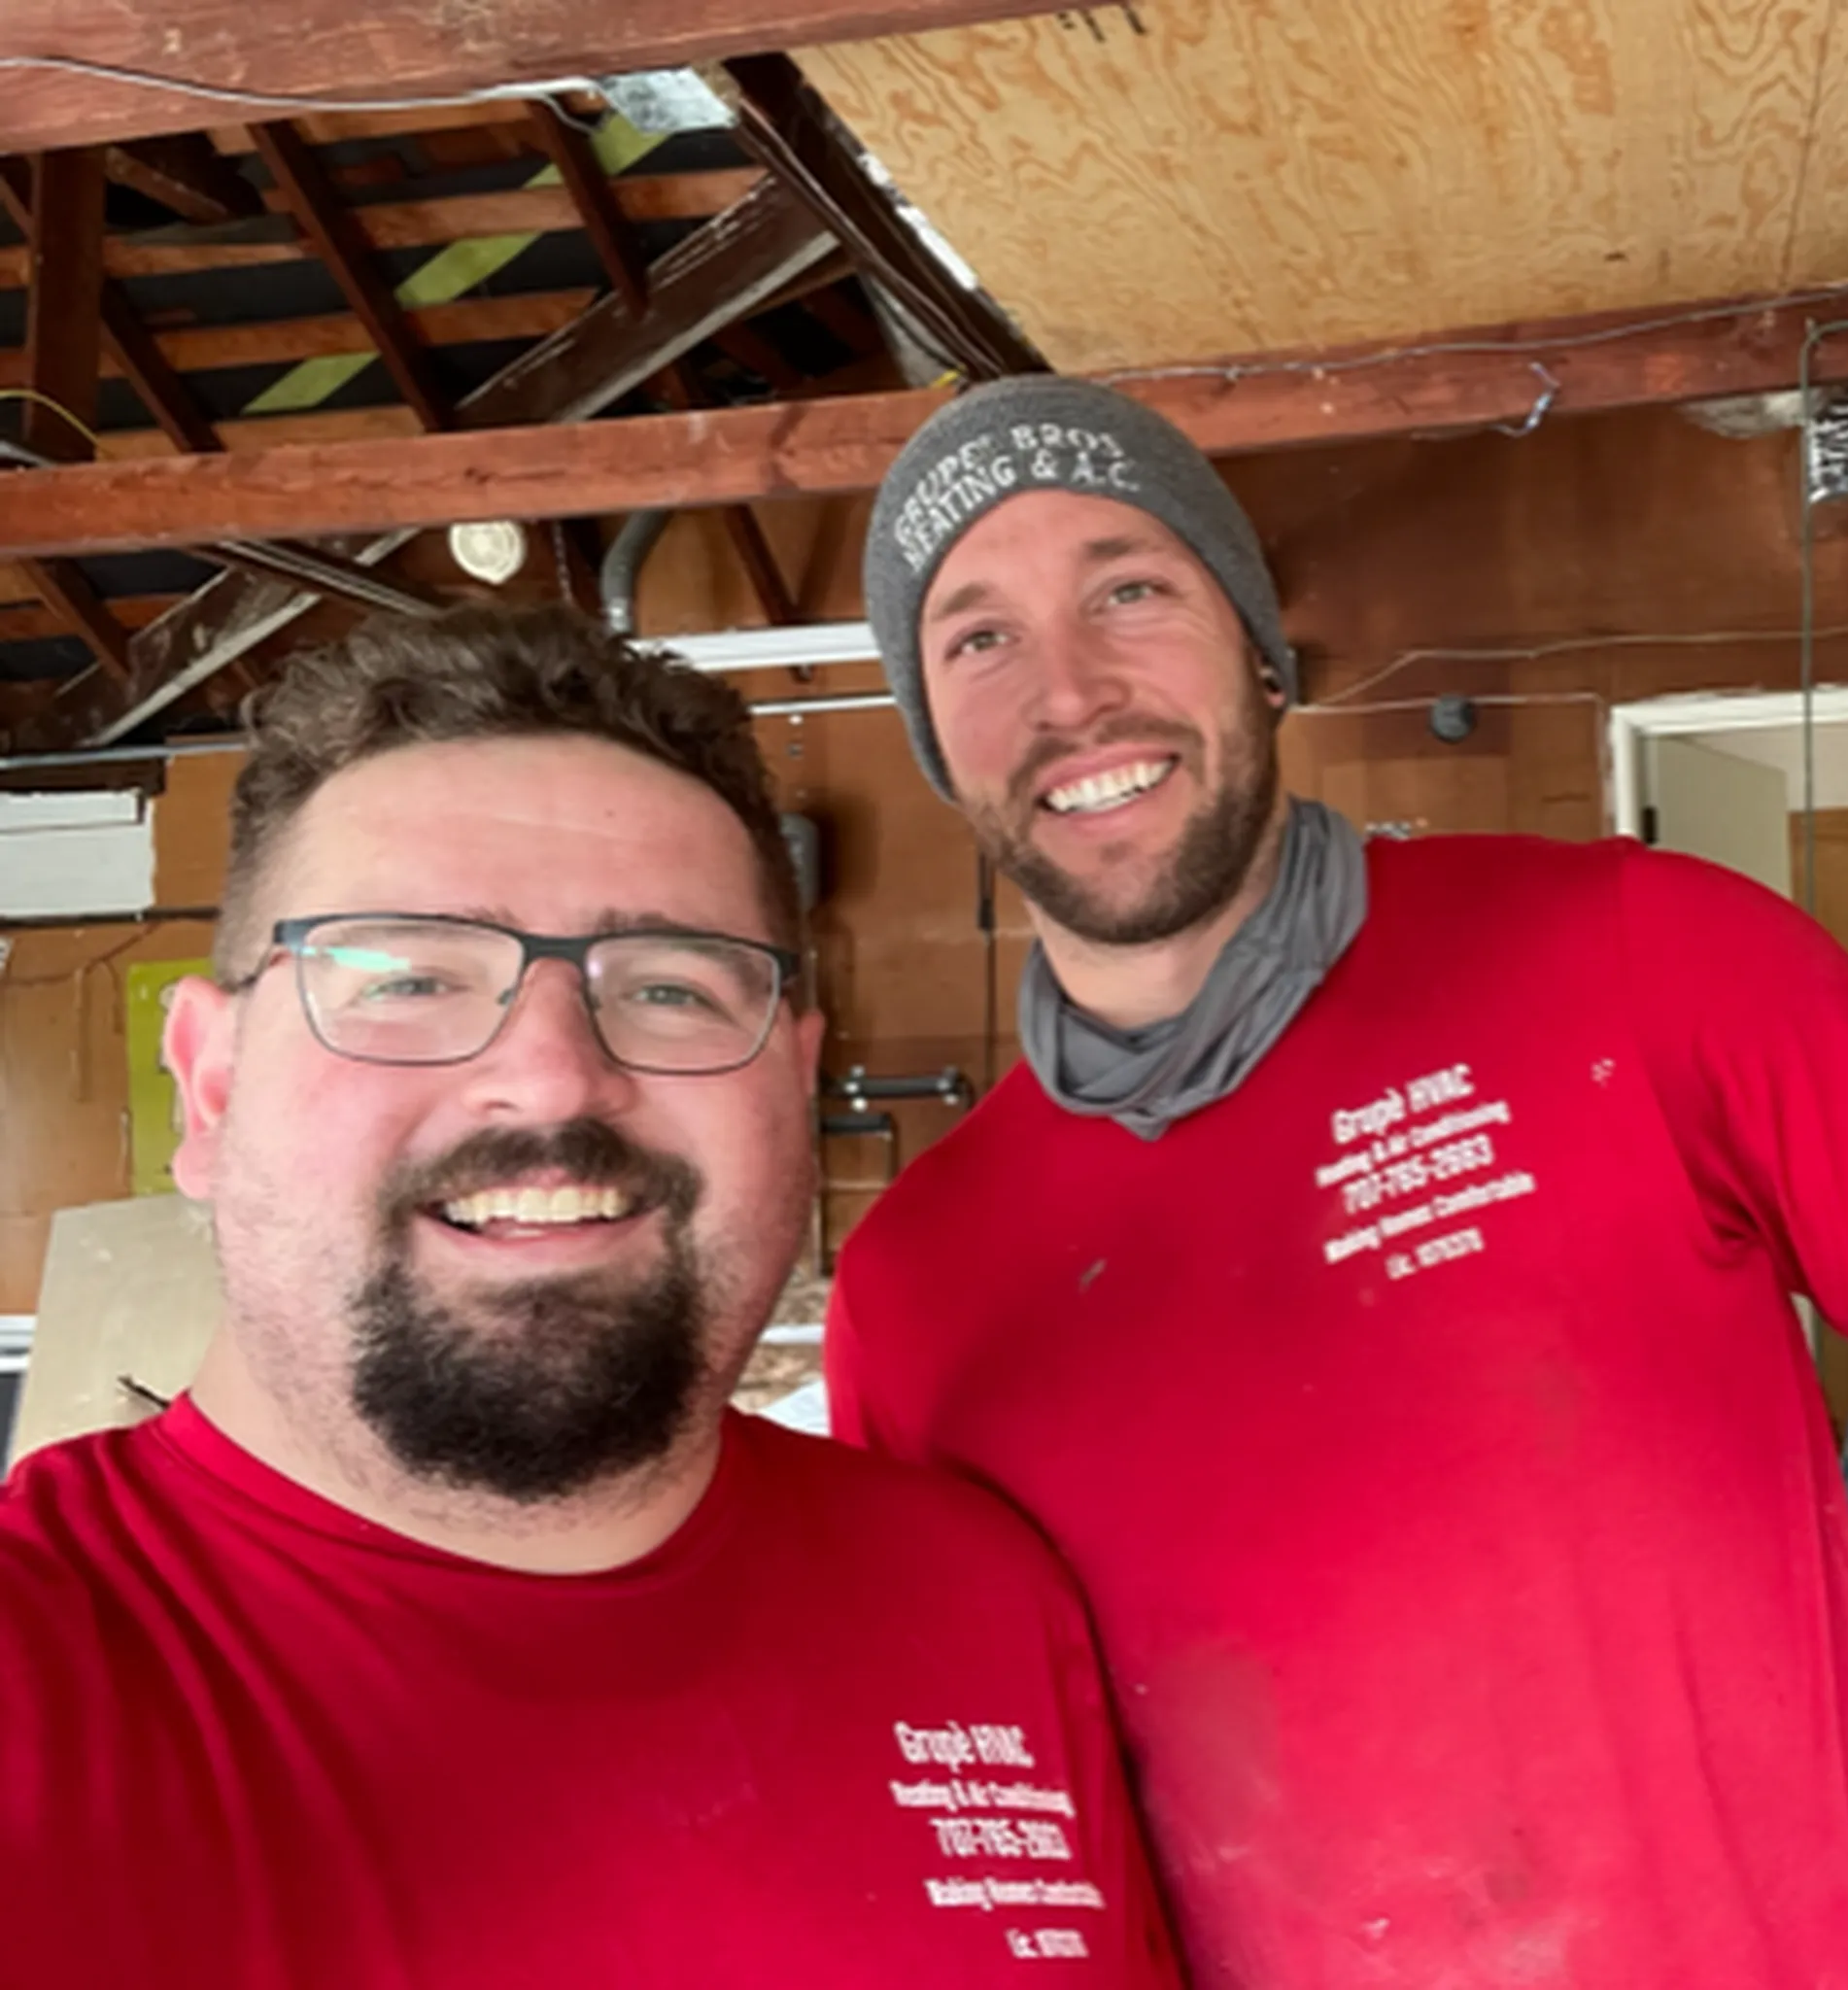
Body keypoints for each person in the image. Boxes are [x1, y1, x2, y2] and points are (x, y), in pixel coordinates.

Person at [828, 376, 1848, 1989]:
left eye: (1131, 589)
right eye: (977, 639)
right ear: (933, 742)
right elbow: (994, 1826)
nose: (1072, 692)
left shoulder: (1643, 954)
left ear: (1260, 649)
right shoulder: (918, 1288)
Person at [0, 605, 1181, 1990]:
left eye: (672, 989)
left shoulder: (981, 1597)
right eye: (408, 976)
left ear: (794, 1085)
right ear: (211, 1086)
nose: (556, 1078)